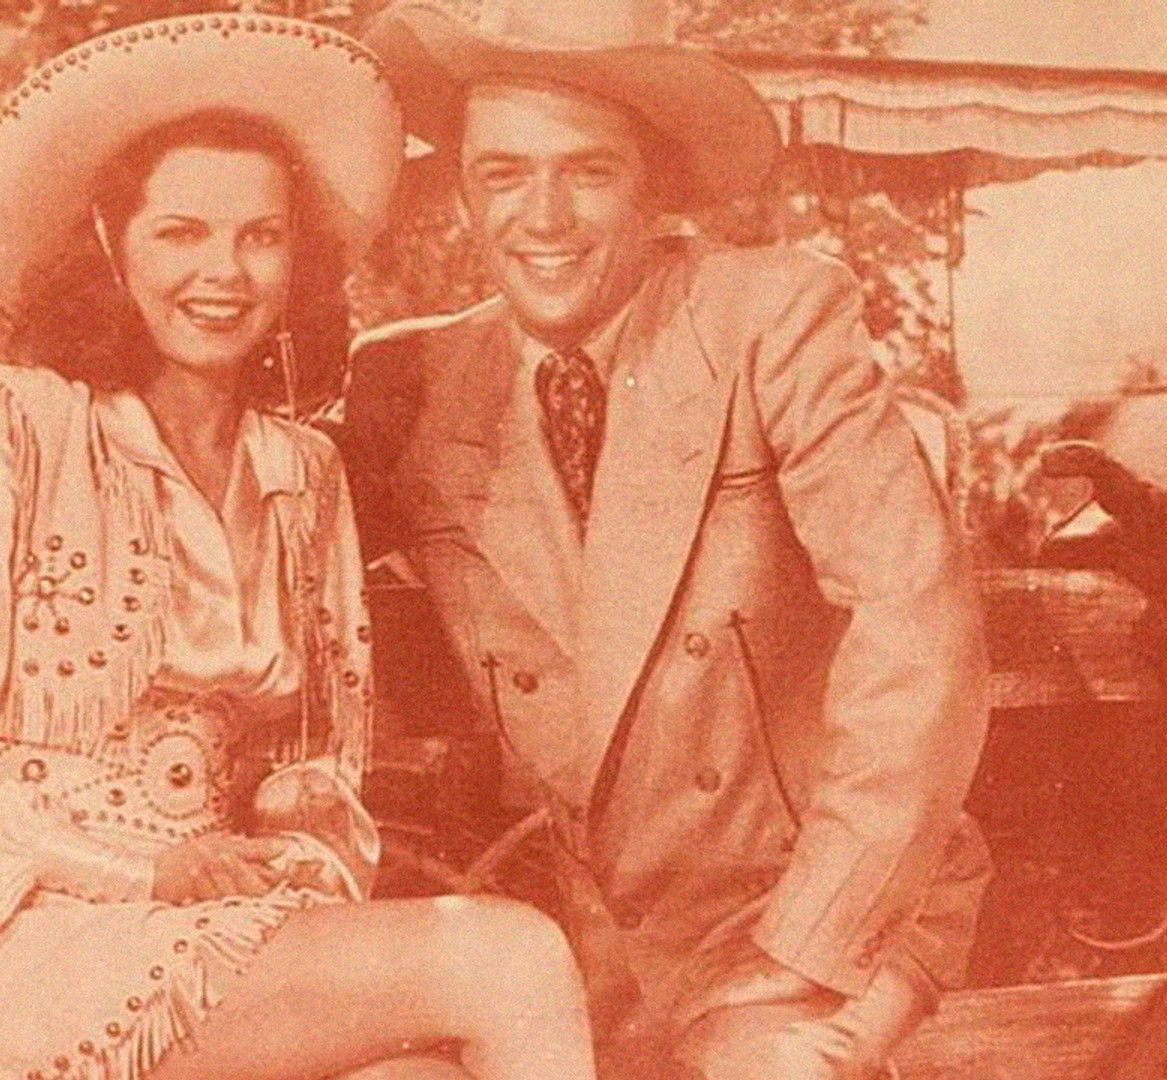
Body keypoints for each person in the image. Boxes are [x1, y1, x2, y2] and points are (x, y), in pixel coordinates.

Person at [0, 16, 594, 1080]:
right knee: (512, 958)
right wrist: (143, 872)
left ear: (297, 257)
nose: (224, 273)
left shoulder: (304, 473)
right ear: (112, 242)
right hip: (35, 945)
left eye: (260, 236)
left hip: (225, 937)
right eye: (181, 233)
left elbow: (318, 774)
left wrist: (270, 864)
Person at [340, 3, 993, 1077]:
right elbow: (262, 552)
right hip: (576, 942)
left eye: (588, 172)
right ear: (462, 193)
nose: (543, 217)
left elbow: (914, 628)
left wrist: (805, 947)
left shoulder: (770, 317)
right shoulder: (407, 381)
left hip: (804, 914)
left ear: (655, 185)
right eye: (503, 174)